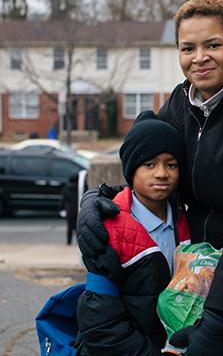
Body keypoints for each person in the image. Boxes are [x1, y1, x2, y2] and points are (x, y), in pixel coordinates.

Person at [76, 0, 223, 356]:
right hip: (187, 295)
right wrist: (99, 199)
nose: (199, 57)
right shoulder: (181, 104)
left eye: (213, 44)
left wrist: (216, 325)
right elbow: (149, 163)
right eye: (188, 48)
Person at [76, 110, 190, 355]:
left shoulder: (185, 219)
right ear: (130, 170)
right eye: (149, 164)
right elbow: (100, 321)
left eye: (171, 164)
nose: (161, 173)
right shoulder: (108, 228)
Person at [60, 172, 79, 245]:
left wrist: (61, 209)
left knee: (69, 227)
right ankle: (78, 241)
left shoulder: (66, 188)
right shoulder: (81, 187)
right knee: (78, 227)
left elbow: (63, 200)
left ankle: (69, 241)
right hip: (78, 209)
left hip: (70, 210)